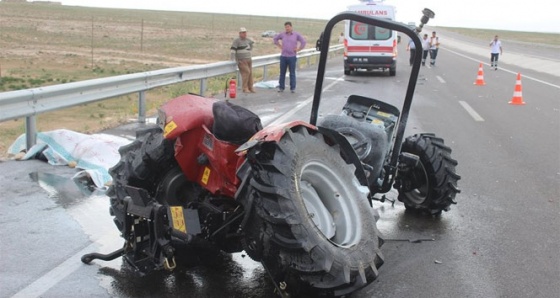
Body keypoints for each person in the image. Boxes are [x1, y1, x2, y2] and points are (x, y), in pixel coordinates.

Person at [273, 21, 307, 93]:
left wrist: (298, 49)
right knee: (282, 73)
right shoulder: (282, 34)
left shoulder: (296, 35)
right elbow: (275, 39)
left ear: (291, 27)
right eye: (286, 27)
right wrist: (279, 46)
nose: (287, 28)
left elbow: (303, 42)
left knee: (292, 73)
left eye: (288, 27)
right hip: (283, 56)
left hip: (292, 56)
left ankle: (292, 88)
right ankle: (281, 87)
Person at [230, 27, 255, 93]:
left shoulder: (248, 40)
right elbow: (233, 50)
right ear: (240, 33)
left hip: (248, 59)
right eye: (243, 32)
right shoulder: (237, 41)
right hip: (241, 60)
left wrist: (248, 52)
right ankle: (245, 88)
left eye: (245, 32)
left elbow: (251, 46)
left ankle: (251, 87)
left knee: (250, 73)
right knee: (246, 72)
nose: (244, 34)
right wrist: (233, 59)